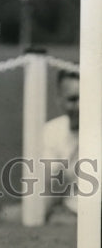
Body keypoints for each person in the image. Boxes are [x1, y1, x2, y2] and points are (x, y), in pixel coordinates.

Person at [41, 68, 79, 223]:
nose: (80, 106)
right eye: (73, 99)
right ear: (60, 100)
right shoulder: (51, 131)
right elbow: (49, 188)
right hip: (61, 211)